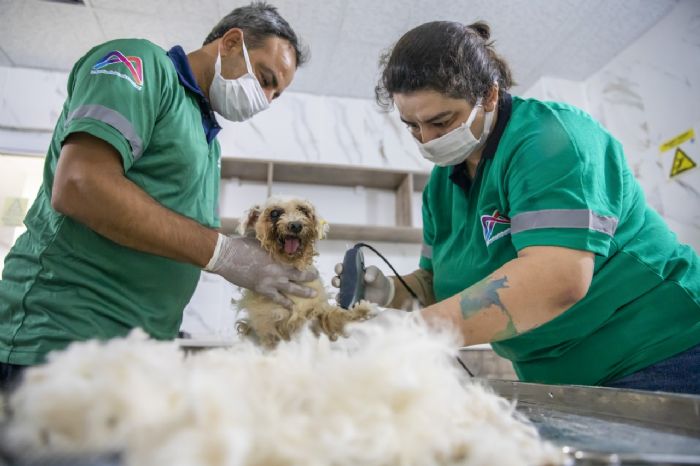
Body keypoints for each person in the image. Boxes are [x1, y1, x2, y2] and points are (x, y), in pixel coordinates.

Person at [333, 21, 700, 394]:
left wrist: (411, 334)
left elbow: (557, 278)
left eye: (441, 122)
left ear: (489, 95)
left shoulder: (550, 140)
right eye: (411, 126)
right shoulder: (440, 187)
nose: (427, 140)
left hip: (662, 350)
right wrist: (390, 292)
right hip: (557, 377)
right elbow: (437, 283)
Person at [0, 2, 318, 389]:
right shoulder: (143, 65)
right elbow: (81, 185)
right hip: (63, 339)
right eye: (266, 79)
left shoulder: (209, 143)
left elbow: (171, 230)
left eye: (276, 95)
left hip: (139, 355)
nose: (265, 99)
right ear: (232, 43)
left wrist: (250, 258)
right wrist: (224, 253)